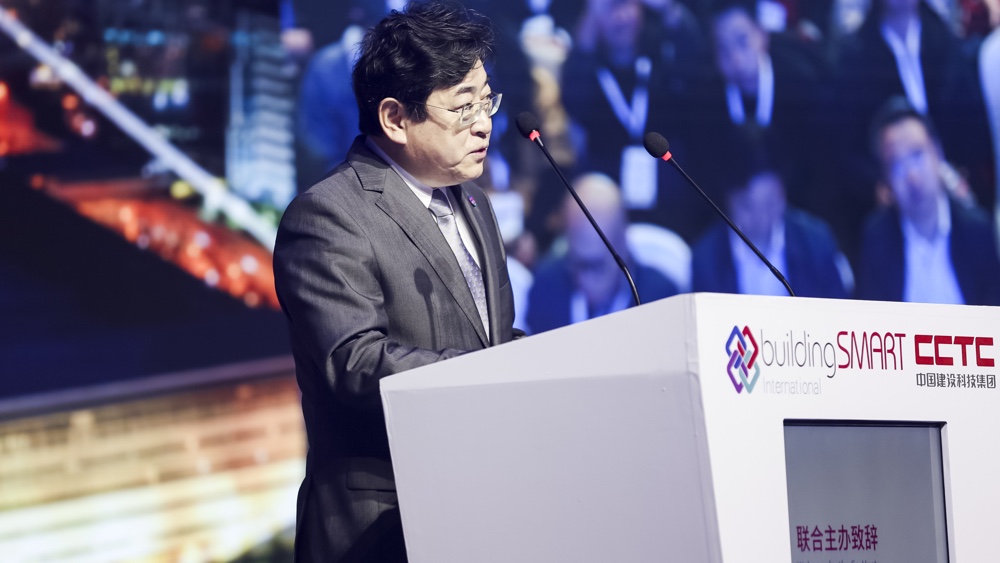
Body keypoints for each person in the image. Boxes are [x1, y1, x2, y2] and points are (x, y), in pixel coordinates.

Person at [273, 3, 521, 561]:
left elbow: (492, 340)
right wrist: (493, 373)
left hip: (481, 500)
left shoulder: (474, 202)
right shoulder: (329, 214)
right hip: (382, 524)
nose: (484, 122)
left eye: (487, 101)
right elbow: (355, 363)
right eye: (463, 107)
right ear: (394, 118)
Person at [856, 97, 1000, 305]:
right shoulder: (877, 239)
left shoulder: (977, 230)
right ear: (886, 179)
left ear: (938, 152)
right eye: (897, 166)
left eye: (917, 156)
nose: (912, 177)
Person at [691, 139, 850, 299]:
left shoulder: (816, 242)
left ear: (783, 193)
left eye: (771, 204)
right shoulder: (706, 259)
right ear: (729, 201)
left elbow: (838, 309)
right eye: (748, 207)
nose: (762, 219)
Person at [526, 173, 678, 334]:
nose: (586, 280)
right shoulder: (545, 290)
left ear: (623, 244)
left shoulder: (660, 299)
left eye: (596, 266)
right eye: (578, 264)